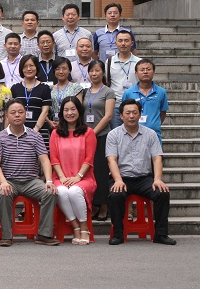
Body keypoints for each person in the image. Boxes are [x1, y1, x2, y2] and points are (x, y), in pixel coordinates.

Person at [106, 99, 176, 245]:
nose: (131, 116)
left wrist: (157, 179)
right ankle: (118, 234)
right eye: (128, 113)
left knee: (162, 193)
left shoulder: (151, 134)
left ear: (140, 114)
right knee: (116, 195)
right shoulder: (113, 135)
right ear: (121, 116)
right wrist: (118, 180)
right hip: (122, 177)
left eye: (134, 112)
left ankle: (161, 234)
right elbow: (111, 160)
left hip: (144, 178)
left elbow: (157, 158)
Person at [0, 100, 59, 246]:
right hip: (9, 181)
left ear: (25, 115)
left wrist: (49, 181)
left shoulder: (35, 135)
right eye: (13, 112)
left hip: (31, 181)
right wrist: (2, 182)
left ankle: (44, 235)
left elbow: (45, 160)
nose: (17, 115)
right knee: (3, 193)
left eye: (20, 112)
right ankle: (6, 236)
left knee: (50, 192)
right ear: (7, 116)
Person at [50, 97, 97, 245]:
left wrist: (78, 176)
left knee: (74, 191)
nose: (69, 113)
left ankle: (84, 227)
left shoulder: (88, 132)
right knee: (61, 191)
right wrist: (62, 177)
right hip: (61, 177)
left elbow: (89, 158)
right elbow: (54, 159)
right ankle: (76, 226)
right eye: (66, 110)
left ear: (79, 111)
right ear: (61, 112)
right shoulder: (56, 133)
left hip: (84, 178)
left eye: (73, 109)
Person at [84, 60, 115, 221]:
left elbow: (108, 116)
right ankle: (94, 204)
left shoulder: (108, 92)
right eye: (91, 71)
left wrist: (93, 133)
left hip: (102, 136)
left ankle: (104, 205)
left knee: (101, 171)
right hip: (86, 136)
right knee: (90, 170)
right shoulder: (85, 91)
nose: (94, 73)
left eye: (97, 70)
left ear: (103, 72)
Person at [122, 59, 168, 143]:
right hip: (133, 134)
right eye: (142, 70)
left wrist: (154, 124)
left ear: (153, 72)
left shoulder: (161, 92)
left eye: (148, 69)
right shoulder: (128, 93)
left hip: (154, 134)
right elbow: (124, 113)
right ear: (136, 73)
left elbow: (162, 112)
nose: (145, 72)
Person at [10, 55, 52, 147]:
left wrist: (35, 130)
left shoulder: (45, 88)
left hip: (40, 132)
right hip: (18, 133)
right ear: (21, 69)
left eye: (31, 66)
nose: (29, 69)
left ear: (37, 67)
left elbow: (45, 112)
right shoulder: (15, 88)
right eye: (25, 66)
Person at [106, 30, 141, 129]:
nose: (123, 43)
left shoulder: (139, 62)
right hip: (116, 105)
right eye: (120, 41)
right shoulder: (109, 61)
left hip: (135, 104)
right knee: (116, 134)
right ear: (115, 43)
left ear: (132, 43)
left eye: (126, 40)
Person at [47, 58, 84, 131]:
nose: (61, 72)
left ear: (69, 70)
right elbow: (45, 109)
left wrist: (63, 123)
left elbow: (78, 109)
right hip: (53, 126)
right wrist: (49, 122)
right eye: (57, 69)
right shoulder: (49, 89)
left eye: (64, 69)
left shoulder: (76, 88)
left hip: (71, 126)